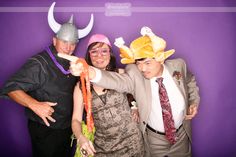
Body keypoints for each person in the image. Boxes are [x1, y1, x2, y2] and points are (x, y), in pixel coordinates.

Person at [60, 26, 200, 157]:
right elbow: (116, 81)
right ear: (88, 55)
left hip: (166, 139)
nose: (142, 69)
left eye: (147, 63)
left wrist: (193, 101)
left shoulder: (178, 65)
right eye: (94, 52)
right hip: (114, 145)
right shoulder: (131, 74)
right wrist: (87, 71)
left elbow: (189, 80)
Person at [0, 2, 93, 157]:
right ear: (54, 40)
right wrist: (34, 105)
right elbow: (10, 87)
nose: (68, 47)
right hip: (45, 132)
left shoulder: (74, 62)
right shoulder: (39, 63)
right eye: (64, 42)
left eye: (73, 44)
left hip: (67, 129)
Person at [71, 34, 145, 157]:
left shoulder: (120, 73)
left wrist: (135, 106)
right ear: (89, 55)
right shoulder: (81, 86)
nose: (99, 56)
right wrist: (80, 138)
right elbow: (76, 119)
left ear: (110, 54)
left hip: (132, 143)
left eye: (104, 51)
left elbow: (140, 91)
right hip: (103, 148)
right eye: (94, 52)